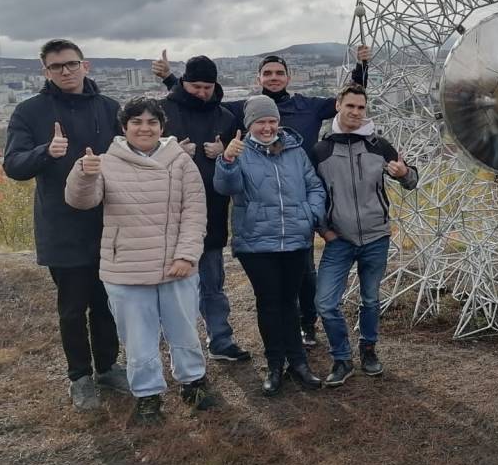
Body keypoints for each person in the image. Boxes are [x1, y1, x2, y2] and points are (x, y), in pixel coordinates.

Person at [154, 46, 370, 348]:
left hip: (297, 205)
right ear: (258, 78)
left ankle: (306, 325)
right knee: (270, 289)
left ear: (289, 77)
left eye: (279, 73)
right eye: (267, 73)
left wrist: (362, 67)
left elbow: (345, 104)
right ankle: (277, 348)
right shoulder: (243, 107)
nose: (273, 77)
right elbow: (199, 99)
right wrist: (171, 81)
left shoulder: (307, 105)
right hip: (260, 210)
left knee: (305, 273)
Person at [65, 97, 215, 425]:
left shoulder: (180, 162)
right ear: (124, 127)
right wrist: (83, 174)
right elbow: (82, 201)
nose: (144, 128)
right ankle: (147, 395)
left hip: (177, 265)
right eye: (137, 122)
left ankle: (193, 382)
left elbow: (194, 211)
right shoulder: (105, 162)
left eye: (152, 122)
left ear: (162, 127)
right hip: (125, 268)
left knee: (185, 330)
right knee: (137, 338)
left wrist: (187, 255)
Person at [3, 39, 128, 411]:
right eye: (56, 67)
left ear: (85, 66)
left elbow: (129, 152)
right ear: (46, 71)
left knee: (107, 303)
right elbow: (13, 166)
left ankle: (107, 366)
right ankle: (80, 376)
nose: (65, 71)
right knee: (73, 307)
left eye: (71, 64)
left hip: (108, 221)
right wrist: (47, 152)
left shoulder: (109, 109)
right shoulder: (30, 112)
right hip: (62, 226)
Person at [214, 95, 327, 396]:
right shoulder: (239, 151)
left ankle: (299, 363)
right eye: (260, 122)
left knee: (290, 301)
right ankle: (275, 364)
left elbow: (314, 186)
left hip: (294, 238)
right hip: (256, 241)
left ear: (279, 122)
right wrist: (226, 161)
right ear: (249, 124)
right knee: (269, 302)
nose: (267, 127)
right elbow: (227, 188)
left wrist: (310, 215)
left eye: (272, 121)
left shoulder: (294, 150)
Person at [312, 83, 418, 386]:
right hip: (339, 240)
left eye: (361, 108)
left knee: (370, 299)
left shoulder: (378, 146)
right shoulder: (321, 151)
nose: (356, 112)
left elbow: (411, 179)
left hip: (375, 237)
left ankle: (368, 350)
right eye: (351, 106)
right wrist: (324, 231)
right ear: (338, 106)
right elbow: (312, 194)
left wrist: (403, 174)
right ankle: (342, 358)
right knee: (326, 303)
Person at [160, 55, 250, 362]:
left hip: (211, 211)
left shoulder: (225, 117)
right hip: (169, 214)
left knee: (213, 283)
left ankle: (220, 339)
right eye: (196, 86)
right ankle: (177, 347)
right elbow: (139, 155)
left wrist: (225, 151)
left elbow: (239, 157)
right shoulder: (162, 112)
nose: (201, 92)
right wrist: (170, 151)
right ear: (183, 83)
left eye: (207, 87)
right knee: (172, 288)